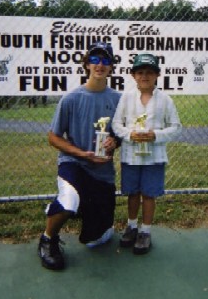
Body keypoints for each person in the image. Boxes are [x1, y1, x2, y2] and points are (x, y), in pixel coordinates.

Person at [38, 42, 121, 270]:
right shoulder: (71, 99)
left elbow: (122, 132)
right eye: (94, 59)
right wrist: (80, 153)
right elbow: (54, 137)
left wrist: (116, 141)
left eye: (105, 60)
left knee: (97, 240)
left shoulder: (119, 100)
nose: (100, 64)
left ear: (112, 67)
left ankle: (81, 206)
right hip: (73, 164)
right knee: (68, 202)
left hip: (102, 172)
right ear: (86, 64)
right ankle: (47, 239)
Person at [112, 53, 182, 255]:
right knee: (133, 193)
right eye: (140, 72)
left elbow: (176, 127)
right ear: (133, 75)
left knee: (149, 194)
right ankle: (132, 226)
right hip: (131, 155)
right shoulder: (126, 97)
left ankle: (146, 231)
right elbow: (116, 124)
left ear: (157, 75)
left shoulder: (165, 100)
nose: (145, 76)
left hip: (154, 157)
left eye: (149, 72)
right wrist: (130, 134)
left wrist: (155, 135)